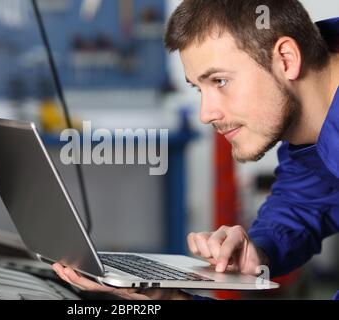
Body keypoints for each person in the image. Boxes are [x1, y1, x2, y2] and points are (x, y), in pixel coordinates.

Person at [53, 0, 339, 300]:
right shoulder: (314, 115)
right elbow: (304, 201)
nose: (206, 114)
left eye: (220, 80)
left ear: (286, 58)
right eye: (198, 88)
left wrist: (176, 299)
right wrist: (259, 248)